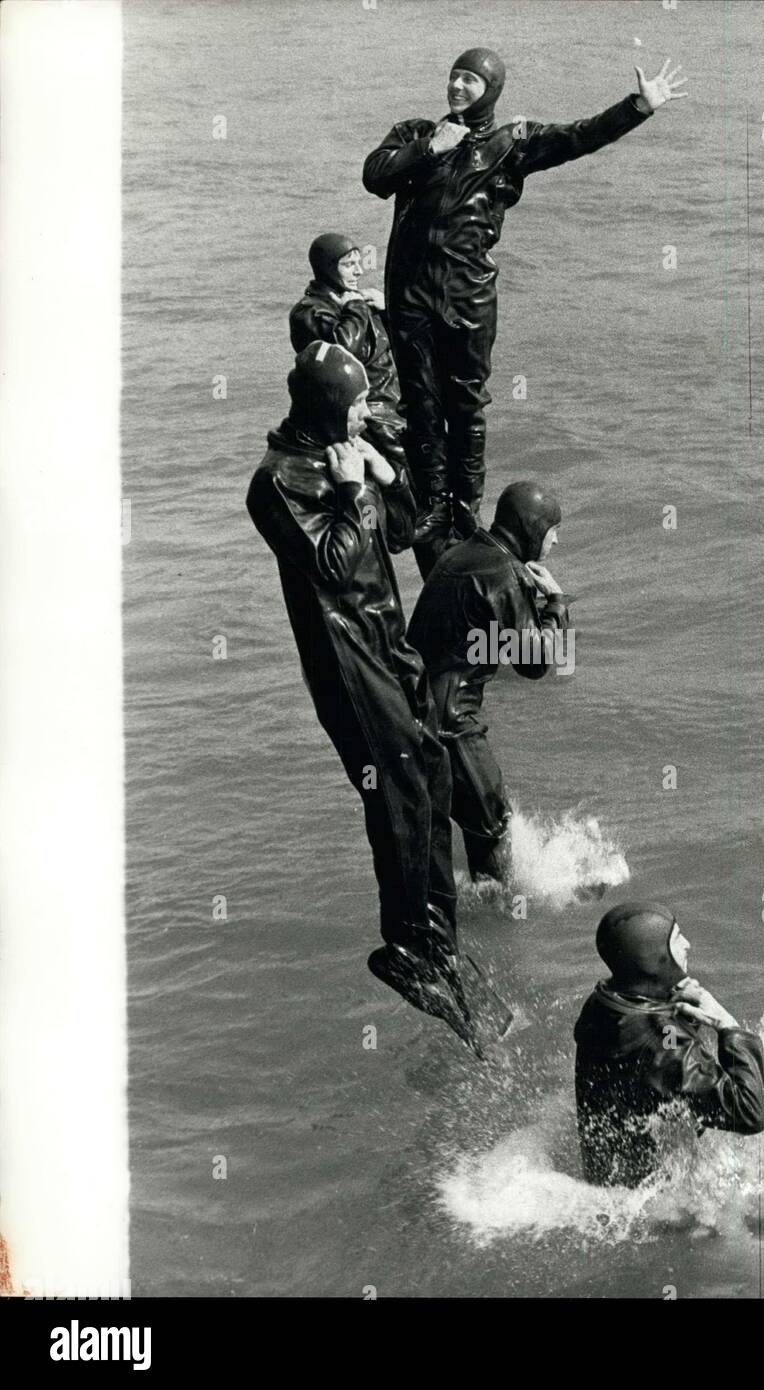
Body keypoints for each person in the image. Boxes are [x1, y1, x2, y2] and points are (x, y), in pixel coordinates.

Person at [246, 338, 493, 1052]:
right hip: (346, 660)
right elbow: (329, 561)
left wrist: (388, 476)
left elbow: (403, 531)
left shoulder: (345, 453)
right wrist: (353, 490)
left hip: (388, 642)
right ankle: (403, 944)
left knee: (433, 771)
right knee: (394, 790)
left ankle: (440, 942)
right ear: (326, 405)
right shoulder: (276, 481)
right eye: (355, 405)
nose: (364, 413)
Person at [363, 48, 687, 574]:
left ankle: (463, 510)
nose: (458, 87)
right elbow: (374, 176)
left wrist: (638, 107)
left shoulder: (509, 142)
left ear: (490, 88)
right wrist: (430, 148)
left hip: (466, 294)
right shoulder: (413, 133)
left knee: (466, 406)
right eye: (454, 77)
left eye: (470, 80)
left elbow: (577, 137)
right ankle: (434, 506)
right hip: (409, 293)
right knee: (420, 402)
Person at [407, 480, 569, 883]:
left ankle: (463, 905)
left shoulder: (462, 554)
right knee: (494, 823)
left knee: (452, 825)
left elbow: (475, 636)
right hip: (451, 723)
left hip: (412, 710)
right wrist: (555, 606)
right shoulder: (503, 575)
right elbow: (535, 663)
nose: (556, 542)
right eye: (553, 533)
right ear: (531, 530)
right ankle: (503, 917)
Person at [574, 903, 764, 1187]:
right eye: (677, 939)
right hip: (651, 1201)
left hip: (608, 1176)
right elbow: (749, 1113)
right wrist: (726, 1024)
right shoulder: (663, 1043)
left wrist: (669, 1001)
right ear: (652, 958)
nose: (688, 944)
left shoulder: (604, 1002)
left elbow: (653, 1060)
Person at [289, 232, 406, 470]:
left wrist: (390, 310)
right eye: (349, 264)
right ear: (327, 268)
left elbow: (406, 347)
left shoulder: (358, 302)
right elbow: (342, 353)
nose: (359, 271)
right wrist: (355, 308)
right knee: (403, 476)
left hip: (395, 407)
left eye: (359, 263)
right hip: (365, 415)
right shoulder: (309, 313)